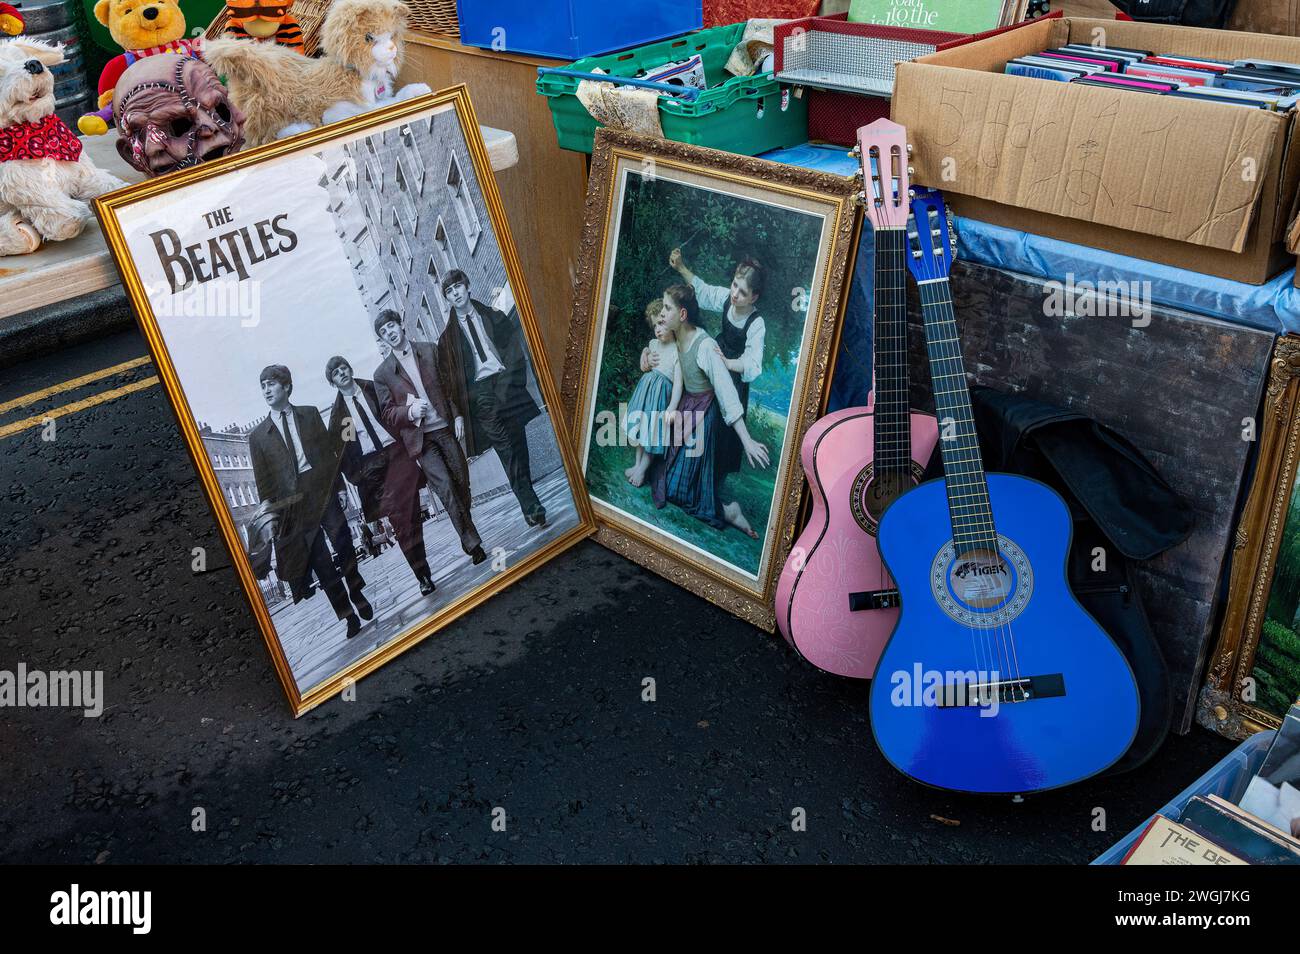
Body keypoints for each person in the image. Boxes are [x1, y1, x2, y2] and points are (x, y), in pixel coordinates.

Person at [248, 364, 372, 639]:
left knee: (343, 540)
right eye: (263, 386)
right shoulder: (257, 437)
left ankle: (356, 589)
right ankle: (347, 614)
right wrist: (274, 520)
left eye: (271, 384)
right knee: (321, 560)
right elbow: (263, 485)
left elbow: (328, 455)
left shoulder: (309, 414)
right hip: (293, 507)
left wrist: (338, 487)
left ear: (287, 387)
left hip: (321, 489)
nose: (267, 390)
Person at [651, 284, 770, 538]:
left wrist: (747, 440)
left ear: (682, 315)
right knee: (665, 484)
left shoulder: (704, 345)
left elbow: (727, 392)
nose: (661, 314)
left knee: (680, 494)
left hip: (704, 416)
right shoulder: (676, 337)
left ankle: (730, 512)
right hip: (687, 410)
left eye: (667, 308)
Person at [371, 311, 487, 565]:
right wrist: (409, 411)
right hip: (421, 439)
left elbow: (449, 386)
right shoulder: (383, 374)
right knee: (445, 486)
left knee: (460, 481)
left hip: (445, 427)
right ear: (382, 339)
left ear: (400, 325)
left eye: (392, 326)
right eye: (383, 332)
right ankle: (472, 542)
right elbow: (388, 413)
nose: (390, 333)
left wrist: (457, 416)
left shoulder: (429, 350)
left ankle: (465, 528)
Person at [437, 270, 547, 527]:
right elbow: (450, 381)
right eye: (450, 291)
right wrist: (462, 411)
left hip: (506, 385)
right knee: (506, 451)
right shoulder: (447, 341)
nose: (456, 293)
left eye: (458, 287)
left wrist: (509, 383)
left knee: (519, 446)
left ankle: (528, 501)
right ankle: (531, 505)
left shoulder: (493, 316)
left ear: (467, 286)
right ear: (448, 298)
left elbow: (513, 351)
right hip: (481, 396)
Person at [326, 354, 437, 595]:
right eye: (336, 373)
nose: (342, 373)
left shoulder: (372, 387)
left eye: (344, 367)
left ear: (350, 368)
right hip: (372, 468)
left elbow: (397, 410)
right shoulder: (339, 415)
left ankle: (423, 566)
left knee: (413, 516)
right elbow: (344, 453)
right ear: (332, 382)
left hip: (398, 453)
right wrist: (358, 477)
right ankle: (422, 575)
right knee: (399, 522)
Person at [669, 249, 766, 478]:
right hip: (716, 359)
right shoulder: (726, 299)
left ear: (754, 297)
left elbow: (753, 363)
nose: (735, 294)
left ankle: (709, 476)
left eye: (743, 292)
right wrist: (681, 267)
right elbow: (703, 291)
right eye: (734, 286)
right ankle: (688, 465)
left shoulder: (756, 322)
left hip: (734, 375)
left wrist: (728, 364)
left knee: (721, 430)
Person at [623, 300, 682, 488]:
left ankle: (642, 471)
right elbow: (644, 367)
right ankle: (636, 465)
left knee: (652, 434)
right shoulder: (653, 344)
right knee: (641, 430)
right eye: (655, 324)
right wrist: (645, 353)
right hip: (645, 392)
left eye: (662, 323)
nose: (657, 328)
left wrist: (672, 407)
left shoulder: (678, 351)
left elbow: (679, 384)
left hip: (660, 398)